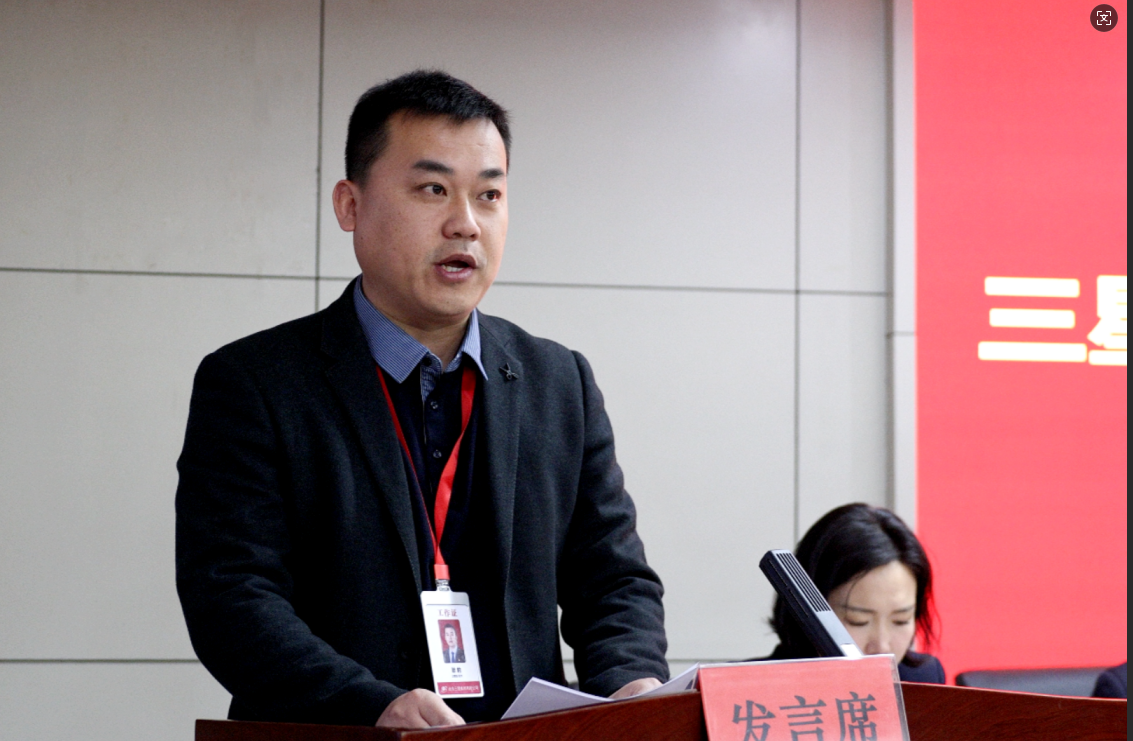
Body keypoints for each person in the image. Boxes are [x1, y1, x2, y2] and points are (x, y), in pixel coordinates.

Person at [175, 70, 668, 729]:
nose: (465, 224)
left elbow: (612, 579)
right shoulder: (255, 383)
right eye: (433, 189)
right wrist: (372, 703)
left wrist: (631, 683)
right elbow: (233, 597)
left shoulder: (558, 381)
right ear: (350, 206)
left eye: (489, 195)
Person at [763, 503, 944, 683]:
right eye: (858, 621)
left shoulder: (924, 677)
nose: (882, 647)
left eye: (901, 620)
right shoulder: (756, 685)